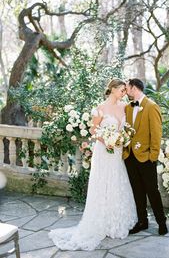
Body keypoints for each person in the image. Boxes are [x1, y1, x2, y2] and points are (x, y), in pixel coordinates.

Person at [49, 78, 137, 251]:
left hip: (117, 151)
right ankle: (101, 223)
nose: (124, 93)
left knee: (117, 183)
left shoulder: (123, 107)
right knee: (102, 183)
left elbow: (125, 128)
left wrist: (121, 139)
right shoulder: (99, 109)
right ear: (113, 89)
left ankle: (115, 221)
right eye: (122, 90)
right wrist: (107, 140)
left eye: (125, 91)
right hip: (104, 151)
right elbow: (93, 130)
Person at [124, 78, 168, 235]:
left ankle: (162, 222)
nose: (125, 91)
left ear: (134, 88)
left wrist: (153, 156)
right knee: (137, 191)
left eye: (127, 88)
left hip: (147, 158)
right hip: (130, 156)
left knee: (152, 191)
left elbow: (156, 134)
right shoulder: (128, 108)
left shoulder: (152, 106)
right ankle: (142, 221)